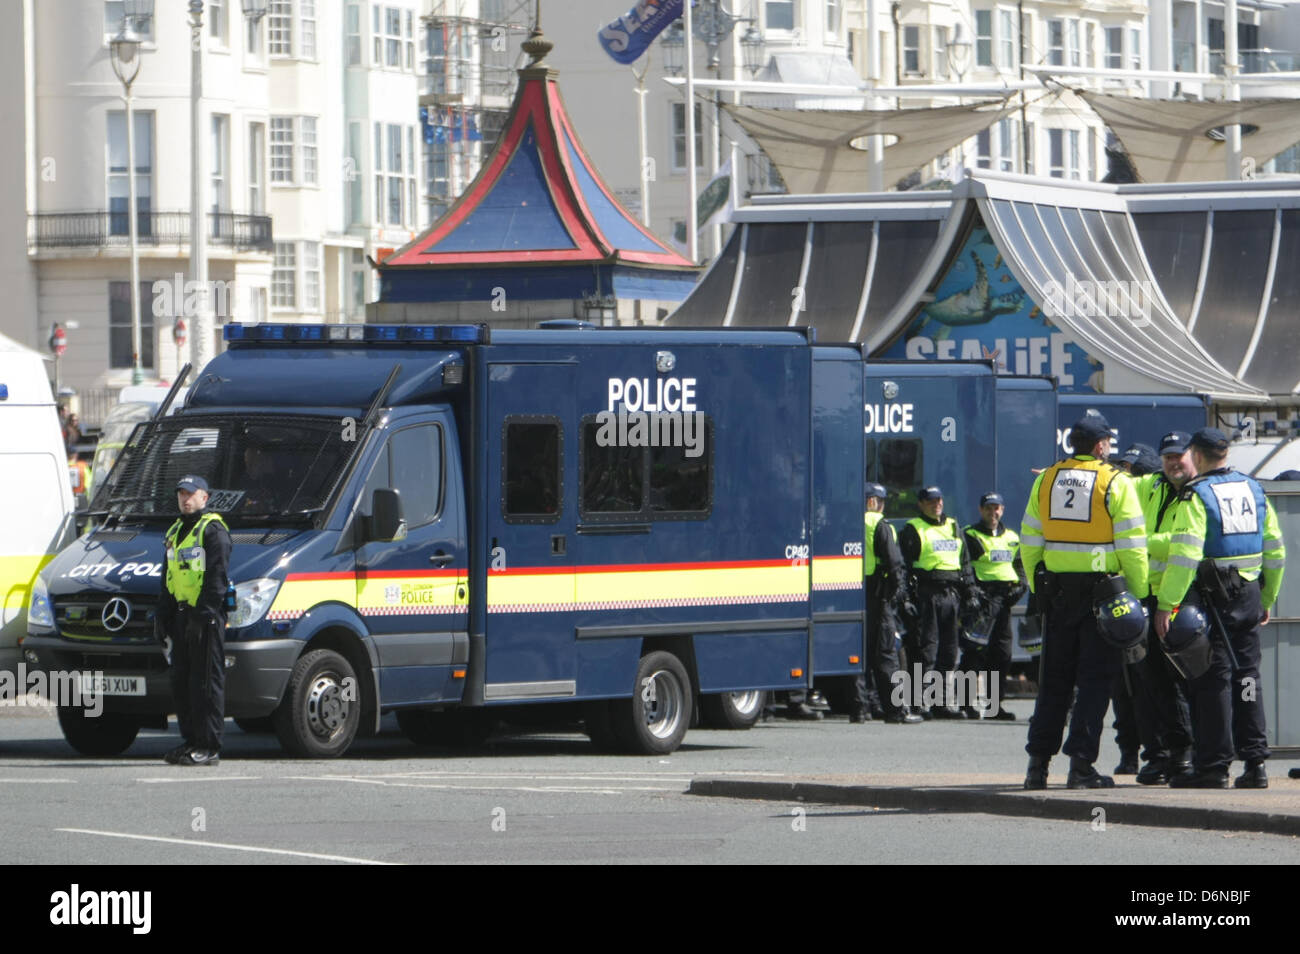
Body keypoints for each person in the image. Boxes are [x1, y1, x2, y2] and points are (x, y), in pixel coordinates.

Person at [1020, 411, 1148, 789]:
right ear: (1100, 446)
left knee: (1054, 682)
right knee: (1094, 681)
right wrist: (1137, 596)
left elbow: (1029, 541)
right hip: (1103, 596)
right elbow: (1132, 545)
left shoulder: (1045, 480)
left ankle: (1037, 767)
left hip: (1059, 596)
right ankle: (1080, 767)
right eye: (1108, 443)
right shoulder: (1115, 482)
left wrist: (1038, 587)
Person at [1153, 428, 1286, 789]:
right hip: (1247, 595)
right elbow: (1275, 550)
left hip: (1213, 598)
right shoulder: (1253, 488)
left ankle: (1213, 766)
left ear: (1196, 454)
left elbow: (1185, 555)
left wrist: (1168, 603)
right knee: (1247, 678)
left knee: (1214, 680)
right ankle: (1255, 763)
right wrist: (1266, 599)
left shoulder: (1198, 495)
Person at [1128, 430, 1197, 785]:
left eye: (1179, 456)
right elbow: (1116, 492)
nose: (1173, 462)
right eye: (1167, 456)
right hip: (1149, 597)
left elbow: (1185, 543)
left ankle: (1187, 754)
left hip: (1186, 598)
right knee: (1152, 680)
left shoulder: (1199, 491)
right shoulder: (1148, 486)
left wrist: (1143, 542)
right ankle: (1164, 754)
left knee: (1186, 679)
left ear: (1193, 456)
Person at [157, 475, 232, 766]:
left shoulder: (213, 531)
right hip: (181, 615)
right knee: (182, 683)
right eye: (181, 494)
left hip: (206, 619)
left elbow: (216, 581)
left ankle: (209, 746)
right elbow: (168, 577)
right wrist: (161, 616)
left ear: (205, 497)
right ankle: (191, 741)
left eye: (191, 494)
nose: (185, 499)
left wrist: (201, 618)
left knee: (206, 683)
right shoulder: (175, 531)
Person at [898, 486, 979, 719]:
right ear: (921, 504)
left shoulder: (954, 526)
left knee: (949, 652)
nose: (937, 504)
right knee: (926, 651)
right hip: (927, 593)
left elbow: (965, 564)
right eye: (931, 501)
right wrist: (905, 598)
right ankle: (918, 702)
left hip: (951, 594)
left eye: (939, 500)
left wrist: (971, 591)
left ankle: (940, 702)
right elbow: (904, 566)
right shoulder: (913, 529)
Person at [1109, 441, 1161, 772]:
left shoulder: (1158, 496)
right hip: (1122, 599)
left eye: (1130, 470)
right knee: (1122, 684)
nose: (1124, 474)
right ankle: (1129, 751)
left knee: (1149, 684)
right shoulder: (1119, 500)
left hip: (1153, 599)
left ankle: (1157, 752)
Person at [853, 482, 922, 724]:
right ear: (873, 502)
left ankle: (859, 710)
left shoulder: (848, 521)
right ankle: (896, 711)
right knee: (885, 654)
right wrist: (897, 594)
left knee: (857, 652)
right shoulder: (877, 524)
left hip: (852, 592)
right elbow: (894, 563)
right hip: (877, 595)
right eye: (881, 502)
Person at [960, 491, 1027, 720]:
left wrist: (1021, 586)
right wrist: (972, 592)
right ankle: (966, 704)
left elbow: (1020, 566)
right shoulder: (970, 535)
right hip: (982, 600)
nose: (993, 512)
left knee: (1002, 654)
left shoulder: (1012, 536)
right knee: (975, 652)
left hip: (1005, 601)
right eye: (988, 508)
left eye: (996, 508)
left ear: (1002, 510)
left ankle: (994, 706)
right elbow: (965, 566)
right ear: (981, 510)